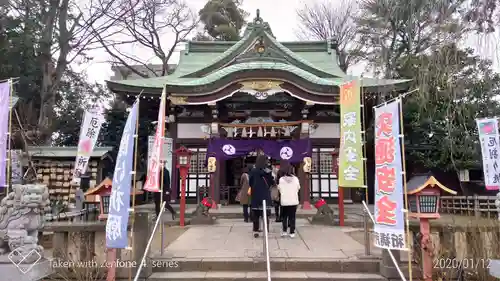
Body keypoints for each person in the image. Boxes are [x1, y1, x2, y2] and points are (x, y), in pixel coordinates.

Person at [249, 155, 274, 238]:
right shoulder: (268, 171)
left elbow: (250, 182)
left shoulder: (253, 171)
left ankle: (256, 231)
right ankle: (266, 230)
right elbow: (271, 182)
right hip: (265, 195)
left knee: (256, 214)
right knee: (265, 215)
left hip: (256, 194)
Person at [277, 163, 300, 238]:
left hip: (284, 201)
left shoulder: (281, 180)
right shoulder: (296, 179)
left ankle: (284, 231)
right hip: (293, 201)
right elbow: (298, 188)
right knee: (292, 217)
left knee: (284, 217)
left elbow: (279, 189)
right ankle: (292, 232)